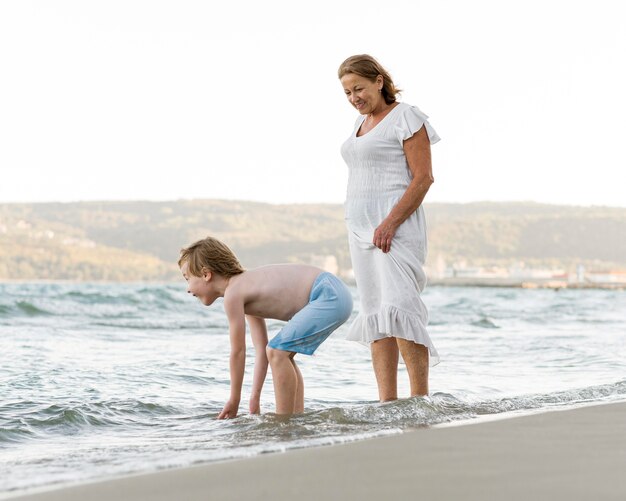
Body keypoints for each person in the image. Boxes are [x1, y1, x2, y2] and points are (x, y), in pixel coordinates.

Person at [338, 54, 440, 402]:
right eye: (348, 92)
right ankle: (387, 403)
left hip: (394, 229)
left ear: (379, 81)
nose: (354, 97)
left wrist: (390, 222)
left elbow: (423, 178)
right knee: (375, 314)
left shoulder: (406, 116)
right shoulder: (359, 124)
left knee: (401, 307)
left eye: (359, 88)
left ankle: (419, 401)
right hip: (361, 231)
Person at [178, 236, 353, 417]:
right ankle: (296, 417)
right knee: (282, 353)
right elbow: (261, 349)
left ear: (206, 274)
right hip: (334, 291)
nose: (187, 288)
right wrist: (255, 397)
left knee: (278, 352)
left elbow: (238, 352)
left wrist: (234, 399)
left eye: (187, 278)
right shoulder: (244, 289)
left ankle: (283, 423)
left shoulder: (233, 294)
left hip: (328, 294)